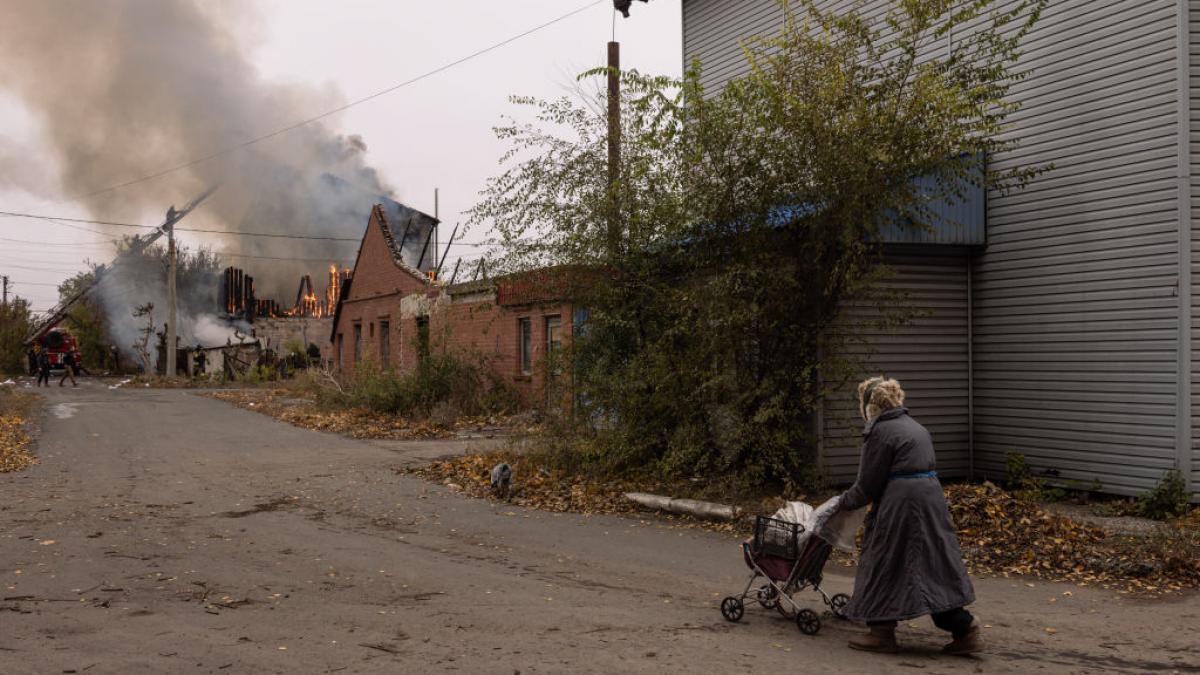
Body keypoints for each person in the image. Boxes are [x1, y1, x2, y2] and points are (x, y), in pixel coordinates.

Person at [840, 376, 980, 655]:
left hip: (901, 504)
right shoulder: (916, 427)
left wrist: (841, 502)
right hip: (929, 500)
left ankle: (881, 633)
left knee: (882, 559)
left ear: (869, 405)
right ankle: (965, 628)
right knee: (931, 563)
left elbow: (867, 485)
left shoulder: (880, 432)